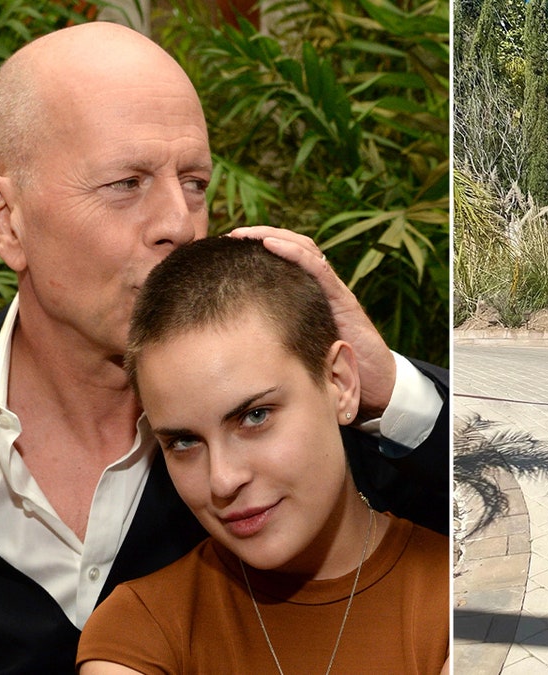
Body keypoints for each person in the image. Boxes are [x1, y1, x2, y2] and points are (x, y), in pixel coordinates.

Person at [0, 21, 448, 673]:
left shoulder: (312, 438)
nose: (179, 223)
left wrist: (384, 384)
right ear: (5, 217)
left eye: (194, 181)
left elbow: (532, 512)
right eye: (126, 182)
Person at [76, 237, 448, 674]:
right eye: (183, 442)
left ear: (341, 383)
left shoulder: (463, 596)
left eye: (255, 417)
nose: (222, 480)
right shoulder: (141, 630)